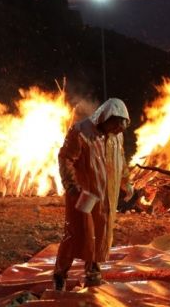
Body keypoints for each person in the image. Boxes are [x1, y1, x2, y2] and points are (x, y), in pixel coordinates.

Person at [53, 98, 132, 290]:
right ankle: (60, 274)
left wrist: (126, 183)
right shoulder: (81, 132)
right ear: (105, 118)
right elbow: (66, 158)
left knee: (100, 233)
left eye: (120, 130)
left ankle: (93, 274)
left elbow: (120, 161)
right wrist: (71, 186)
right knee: (76, 234)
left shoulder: (116, 136)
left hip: (106, 197)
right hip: (83, 195)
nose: (116, 132)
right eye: (115, 127)